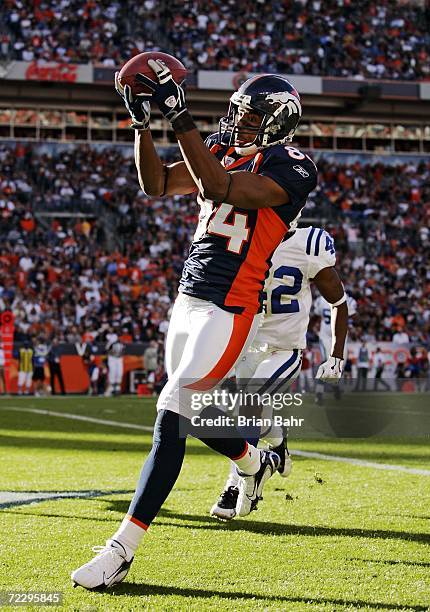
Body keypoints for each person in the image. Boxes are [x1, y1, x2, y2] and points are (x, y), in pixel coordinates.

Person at [72, 62, 317, 589]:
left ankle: (121, 551)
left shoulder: (293, 166)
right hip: (188, 298)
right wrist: (142, 123)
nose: (237, 124)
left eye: (250, 118)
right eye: (236, 114)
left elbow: (220, 185)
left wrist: (177, 115)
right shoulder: (221, 145)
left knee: (170, 411)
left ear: (277, 125)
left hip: (230, 307)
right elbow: (156, 183)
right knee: (195, 413)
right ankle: (252, 461)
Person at [210, 226, 349, 520]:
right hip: (250, 345)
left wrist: (336, 354)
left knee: (250, 401)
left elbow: (338, 301)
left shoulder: (308, 243)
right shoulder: (244, 237)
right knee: (249, 415)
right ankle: (278, 446)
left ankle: (239, 484)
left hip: (285, 349)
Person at [314, 292, 357, 403]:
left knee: (337, 365)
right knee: (326, 362)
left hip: (336, 337)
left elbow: (316, 315)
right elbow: (354, 315)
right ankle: (319, 392)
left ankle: (335, 387)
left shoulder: (321, 299)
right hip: (329, 337)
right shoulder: (347, 300)